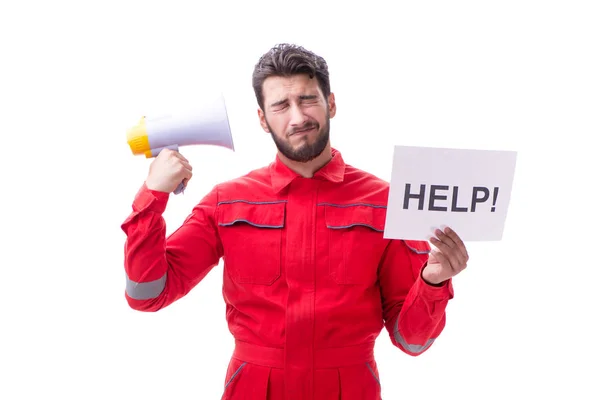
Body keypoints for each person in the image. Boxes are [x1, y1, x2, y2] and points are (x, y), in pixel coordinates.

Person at [121, 43, 469, 400]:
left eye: (307, 100)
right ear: (262, 119)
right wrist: (153, 195)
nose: (297, 117)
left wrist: (432, 282)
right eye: (281, 105)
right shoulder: (227, 203)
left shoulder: (385, 203)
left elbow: (411, 340)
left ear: (330, 104)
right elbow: (148, 294)